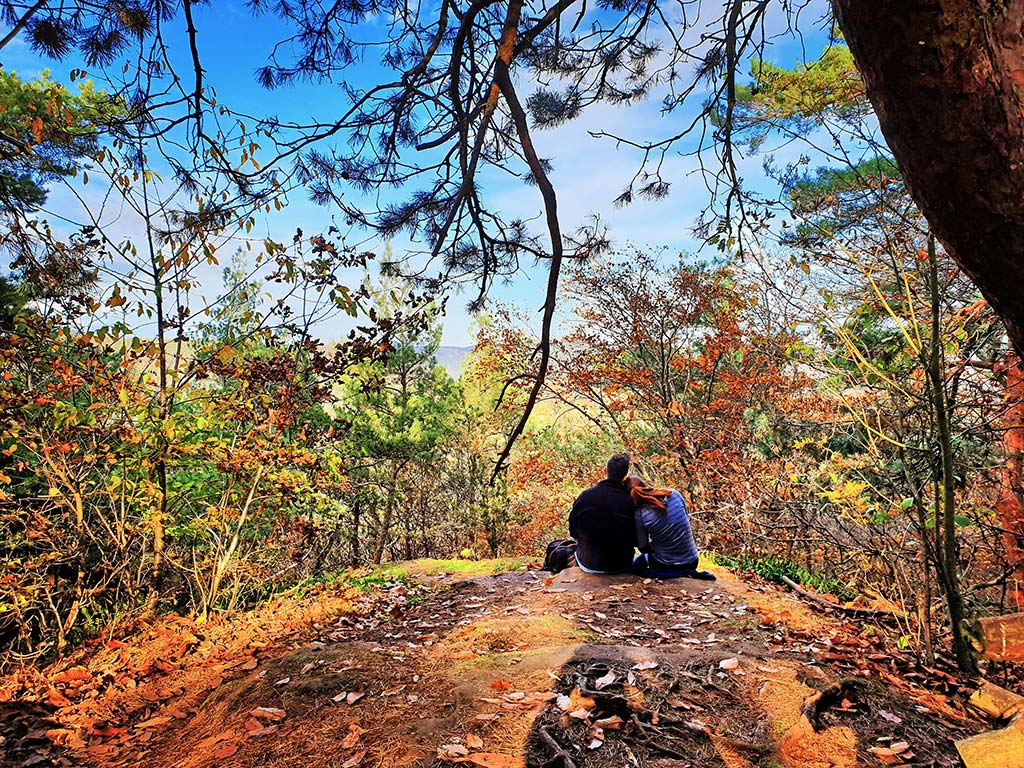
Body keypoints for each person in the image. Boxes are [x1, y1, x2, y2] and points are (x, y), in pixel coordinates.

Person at [627, 476, 714, 580]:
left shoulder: (640, 514)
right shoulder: (674, 494)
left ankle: (678, 574)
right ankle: (684, 572)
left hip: (664, 564)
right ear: (646, 485)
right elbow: (684, 520)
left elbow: (643, 547)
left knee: (635, 568)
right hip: (692, 560)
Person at [568, 453, 637, 574]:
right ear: (626, 476)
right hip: (622, 563)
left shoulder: (585, 497)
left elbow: (573, 531)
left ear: (605, 471)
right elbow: (637, 539)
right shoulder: (631, 500)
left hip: (589, 563)